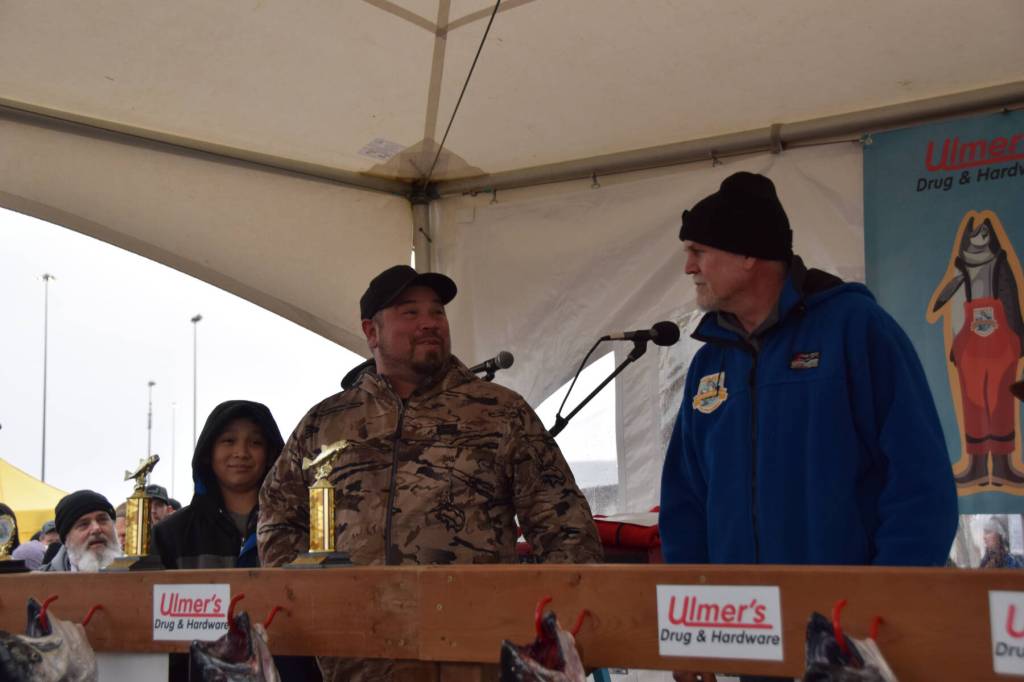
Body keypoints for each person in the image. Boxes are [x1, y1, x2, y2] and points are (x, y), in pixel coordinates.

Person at [660, 173, 959, 679]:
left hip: (851, 643)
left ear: (749, 254)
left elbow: (919, 485)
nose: (688, 266)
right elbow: (686, 502)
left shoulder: (857, 331)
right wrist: (689, 628)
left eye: (699, 250)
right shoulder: (708, 364)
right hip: (747, 639)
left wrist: (885, 609)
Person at [258, 264, 603, 681]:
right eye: (410, 313)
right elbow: (278, 515)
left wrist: (559, 631)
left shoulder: (499, 412)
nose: (428, 323)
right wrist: (308, 602)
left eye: (437, 312)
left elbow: (564, 524)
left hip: (477, 657)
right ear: (372, 332)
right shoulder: (326, 422)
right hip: (357, 661)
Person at [152, 401, 284, 569]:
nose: (241, 453)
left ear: (271, 455)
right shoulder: (169, 534)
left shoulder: (297, 527)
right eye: (229, 440)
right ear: (208, 453)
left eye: (256, 442)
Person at [41, 491, 121, 572]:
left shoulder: (133, 574)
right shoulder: (40, 581)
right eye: (84, 524)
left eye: (102, 520)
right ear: (66, 539)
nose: (96, 529)